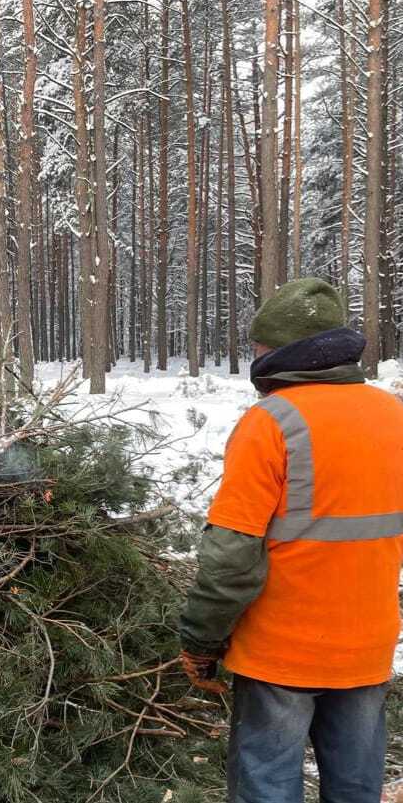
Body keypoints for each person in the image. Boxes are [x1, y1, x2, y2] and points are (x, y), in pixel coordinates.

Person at [178, 277, 403, 803]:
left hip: (280, 653)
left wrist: (200, 641)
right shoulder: (395, 415)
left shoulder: (270, 423)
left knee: (267, 788)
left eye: (259, 348)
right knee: (356, 789)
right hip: (367, 649)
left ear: (282, 353)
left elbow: (230, 558)